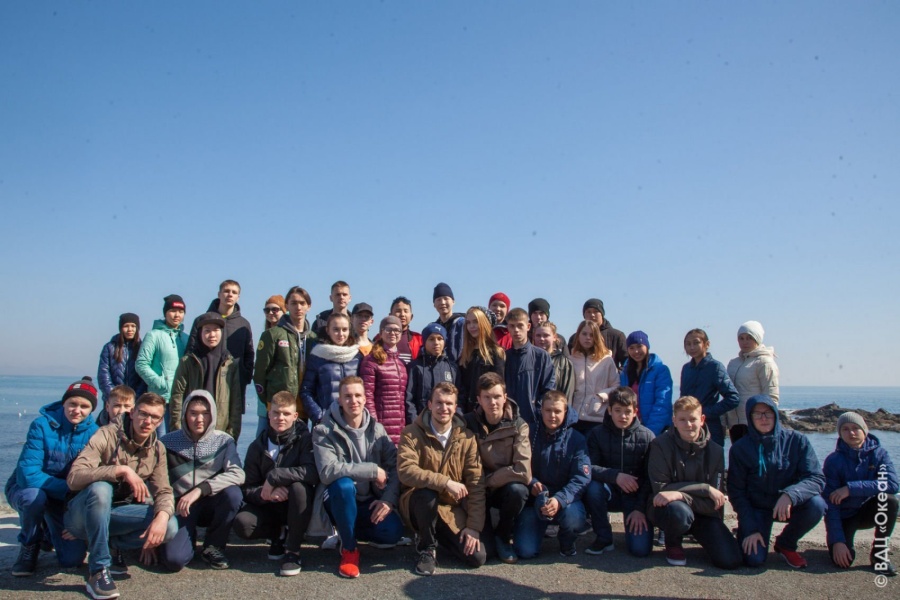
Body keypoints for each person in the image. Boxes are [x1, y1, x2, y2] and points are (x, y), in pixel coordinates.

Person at [65, 392, 178, 600]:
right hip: (84, 512)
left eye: (154, 417)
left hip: (117, 513)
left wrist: (162, 517)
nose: (147, 421)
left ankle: (109, 544)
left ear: (160, 420)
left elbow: (163, 490)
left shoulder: (157, 448)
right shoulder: (106, 434)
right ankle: (98, 570)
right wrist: (120, 470)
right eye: (143, 414)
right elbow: (74, 478)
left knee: (170, 526)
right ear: (132, 413)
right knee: (101, 488)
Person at [6, 377, 100, 577]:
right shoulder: (41, 425)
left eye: (84, 406)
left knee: (72, 559)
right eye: (72, 404)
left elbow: (90, 478)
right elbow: (28, 475)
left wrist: (77, 520)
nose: (77, 410)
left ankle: (48, 530)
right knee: (34, 498)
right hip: (28, 489)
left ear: (92, 409)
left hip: (62, 498)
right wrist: (69, 489)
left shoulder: (94, 434)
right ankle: (30, 544)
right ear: (64, 403)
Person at [312, 377, 404, 578]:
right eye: (347, 396)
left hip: (367, 500)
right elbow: (327, 471)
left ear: (364, 398)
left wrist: (388, 500)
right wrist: (372, 470)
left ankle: (347, 531)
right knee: (343, 485)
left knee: (392, 533)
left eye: (357, 395)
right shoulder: (323, 430)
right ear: (339, 400)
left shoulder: (377, 429)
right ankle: (349, 549)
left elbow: (395, 467)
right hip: (336, 499)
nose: (353, 401)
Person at [398, 382, 487, 576]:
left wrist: (473, 527)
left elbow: (476, 483)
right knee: (427, 494)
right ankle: (427, 548)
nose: (443, 408)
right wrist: (445, 482)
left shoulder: (467, 438)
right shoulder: (411, 433)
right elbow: (405, 470)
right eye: (438, 402)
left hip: (449, 508)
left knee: (478, 557)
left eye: (449, 403)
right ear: (430, 404)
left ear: (456, 407)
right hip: (418, 503)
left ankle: (438, 536)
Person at [728, 394, 826, 568]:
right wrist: (750, 528)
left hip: (788, 505)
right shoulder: (740, 448)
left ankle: (786, 543)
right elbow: (737, 492)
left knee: (817, 505)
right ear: (750, 418)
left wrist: (790, 495)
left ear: (775, 414)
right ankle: (746, 534)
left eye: (768, 413)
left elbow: (816, 478)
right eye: (757, 414)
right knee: (753, 560)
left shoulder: (797, 441)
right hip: (757, 508)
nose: (763, 418)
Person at [646, 396, 742, 569]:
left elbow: (715, 502)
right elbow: (661, 491)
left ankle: (702, 537)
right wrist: (704, 489)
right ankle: (673, 542)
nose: (688, 424)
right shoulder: (659, 445)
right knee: (678, 511)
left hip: (704, 514)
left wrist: (680, 494)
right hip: (671, 511)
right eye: (682, 419)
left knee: (730, 560)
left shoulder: (716, 451)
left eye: (693, 419)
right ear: (674, 420)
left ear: (702, 419)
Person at [233, 391, 319, 577]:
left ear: (295, 416)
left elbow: (312, 472)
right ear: (269, 414)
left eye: (286, 414)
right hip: (269, 506)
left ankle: (293, 551)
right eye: (276, 413)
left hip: (297, 505)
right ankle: (277, 535)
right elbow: (247, 487)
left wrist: (276, 476)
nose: (281, 418)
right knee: (243, 523)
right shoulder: (257, 446)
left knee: (299, 488)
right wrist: (265, 494)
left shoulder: (305, 440)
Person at [159, 390, 245, 572]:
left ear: (212, 414)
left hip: (210, 503)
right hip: (180, 507)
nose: (199, 419)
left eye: (205, 413)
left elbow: (238, 474)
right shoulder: (167, 442)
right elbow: (155, 482)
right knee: (174, 561)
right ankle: (186, 539)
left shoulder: (224, 441)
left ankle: (213, 546)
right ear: (185, 414)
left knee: (233, 494)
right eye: (193, 413)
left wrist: (201, 490)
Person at [463, 372, 531, 564]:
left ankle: (503, 534)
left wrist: (489, 480)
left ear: (505, 397)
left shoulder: (518, 425)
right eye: (487, 397)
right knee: (483, 554)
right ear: (479, 399)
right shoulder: (468, 423)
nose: (492, 402)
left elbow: (523, 472)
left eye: (497, 396)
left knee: (518, 491)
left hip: (502, 488)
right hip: (477, 491)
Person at [513, 390, 589, 559]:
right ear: (541, 410)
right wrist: (531, 483)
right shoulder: (528, 433)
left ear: (565, 412)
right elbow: (519, 464)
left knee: (574, 517)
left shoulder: (577, 439)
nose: (552, 416)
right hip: (535, 500)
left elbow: (581, 478)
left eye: (557, 411)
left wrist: (559, 500)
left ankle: (567, 540)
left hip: (566, 500)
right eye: (548, 410)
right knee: (525, 551)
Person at [823, 412, 898, 576]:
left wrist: (850, 489)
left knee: (890, 501)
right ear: (840, 433)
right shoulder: (833, 461)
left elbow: (892, 484)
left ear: (864, 430)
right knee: (843, 562)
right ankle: (840, 542)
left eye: (855, 428)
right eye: (845, 429)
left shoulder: (879, 454)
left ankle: (879, 554)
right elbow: (830, 504)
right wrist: (837, 541)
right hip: (845, 516)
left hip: (867, 511)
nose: (851, 432)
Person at [584, 387, 654, 558]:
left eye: (627, 411)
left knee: (640, 550)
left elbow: (652, 478)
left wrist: (640, 509)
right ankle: (604, 537)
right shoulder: (597, 434)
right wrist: (616, 476)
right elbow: (587, 467)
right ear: (609, 410)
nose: (623, 416)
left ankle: (636, 524)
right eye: (617, 410)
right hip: (609, 492)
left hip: (636, 498)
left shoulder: (647, 437)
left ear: (635, 411)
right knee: (593, 487)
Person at [185, 280, 255, 433]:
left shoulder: (243, 324)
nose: (230, 295)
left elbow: (249, 354)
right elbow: (190, 351)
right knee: (200, 428)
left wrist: (245, 376)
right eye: (226, 291)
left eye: (234, 292)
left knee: (230, 429)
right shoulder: (202, 320)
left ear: (238, 297)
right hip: (205, 383)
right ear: (219, 294)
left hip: (233, 386)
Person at [168, 312, 242, 440]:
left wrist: (232, 434)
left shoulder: (229, 363)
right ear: (199, 333)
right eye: (207, 330)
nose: (212, 335)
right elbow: (177, 397)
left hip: (220, 431)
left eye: (216, 330)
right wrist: (178, 430)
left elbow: (235, 401)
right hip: (191, 429)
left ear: (222, 332)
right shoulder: (188, 362)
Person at [253, 286, 317, 433]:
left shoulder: (314, 338)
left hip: (303, 407)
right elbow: (260, 373)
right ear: (287, 306)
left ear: (309, 306)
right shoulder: (272, 335)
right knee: (274, 444)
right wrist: (270, 401)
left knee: (300, 445)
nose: (298, 307)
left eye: (302, 303)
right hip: (279, 408)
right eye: (293, 303)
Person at [135, 294, 188, 434]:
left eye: (181, 312)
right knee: (161, 439)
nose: (177, 315)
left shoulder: (186, 338)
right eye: (173, 311)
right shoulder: (153, 335)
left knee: (178, 439)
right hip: (160, 398)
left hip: (181, 399)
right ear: (165, 313)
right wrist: (160, 383)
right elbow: (141, 364)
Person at [679, 329, 740, 446]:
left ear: (707, 344)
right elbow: (683, 399)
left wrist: (706, 412)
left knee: (711, 456)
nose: (692, 347)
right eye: (688, 344)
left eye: (696, 343)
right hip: (688, 427)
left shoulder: (715, 367)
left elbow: (733, 398)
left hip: (710, 428)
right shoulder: (686, 369)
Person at [301, 312, 363, 424]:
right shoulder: (318, 355)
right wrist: (319, 416)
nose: (341, 334)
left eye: (344, 329)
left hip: (353, 420)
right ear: (328, 330)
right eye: (336, 329)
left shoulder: (357, 356)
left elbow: (366, 389)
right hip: (327, 421)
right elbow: (306, 391)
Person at [724, 320, 779, 443]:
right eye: (741, 338)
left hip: (755, 424)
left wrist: (766, 422)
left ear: (757, 338)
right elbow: (726, 393)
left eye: (749, 338)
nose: (745, 342)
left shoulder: (765, 362)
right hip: (735, 424)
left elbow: (771, 397)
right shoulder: (733, 363)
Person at [504, 308, 556, 433]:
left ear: (528, 326)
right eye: (512, 326)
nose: (516, 330)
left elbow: (548, 389)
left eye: (520, 325)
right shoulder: (504, 357)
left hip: (534, 421)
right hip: (508, 420)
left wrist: (537, 411)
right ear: (508, 328)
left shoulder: (541, 356)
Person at [359, 316, 408, 444]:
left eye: (397, 330)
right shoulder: (371, 360)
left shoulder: (402, 363)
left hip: (400, 427)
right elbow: (367, 396)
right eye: (388, 329)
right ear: (381, 332)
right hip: (380, 427)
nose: (393, 333)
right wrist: (374, 424)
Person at [569, 320, 619, 435]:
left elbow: (616, 386)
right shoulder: (571, 359)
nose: (588, 338)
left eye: (592, 335)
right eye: (584, 334)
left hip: (597, 416)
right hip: (574, 416)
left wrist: (601, 396)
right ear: (578, 336)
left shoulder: (606, 360)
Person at [619, 331, 672, 437]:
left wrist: (650, 432)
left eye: (639, 346)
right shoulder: (625, 372)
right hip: (631, 429)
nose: (636, 351)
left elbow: (662, 403)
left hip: (655, 430)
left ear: (647, 346)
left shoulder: (660, 370)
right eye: (631, 348)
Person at [405, 323, 458, 425]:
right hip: (421, 424)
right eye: (431, 339)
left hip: (447, 423)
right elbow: (409, 398)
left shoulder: (452, 368)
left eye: (440, 339)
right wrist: (415, 423)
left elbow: (460, 396)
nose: (436, 342)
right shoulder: (415, 367)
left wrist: (456, 419)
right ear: (424, 341)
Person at [458, 306, 506, 414]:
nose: (471, 326)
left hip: (487, 411)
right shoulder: (465, 354)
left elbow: (498, 386)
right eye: (468, 323)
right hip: (466, 412)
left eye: (475, 322)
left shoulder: (496, 353)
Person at [97, 313, 146, 409]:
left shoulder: (143, 348)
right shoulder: (109, 347)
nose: (130, 329)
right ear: (120, 328)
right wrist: (113, 396)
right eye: (126, 326)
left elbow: (144, 376)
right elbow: (103, 375)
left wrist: (136, 397)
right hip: (113, 402)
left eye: (133, 326)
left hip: (135, 401)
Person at [567, 299, 627, 370]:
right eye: (588, 312)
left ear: (602, 314)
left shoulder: (616, 336)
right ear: (584, 315)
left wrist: (615, 374)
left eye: (595, 311)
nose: (592, 315)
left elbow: (627, 362)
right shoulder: (575, 338)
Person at [533, 321, 574, 403]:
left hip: (554, 407)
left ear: (554, 337)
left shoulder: (564, 363)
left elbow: (567, 393)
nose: (541, 339)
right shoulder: (529, 359)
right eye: (538, 335)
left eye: (546, 335)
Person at [430, 282, 466, 364]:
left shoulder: (463, 324)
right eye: (438, 300)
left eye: (446, 298)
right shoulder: (433, 328)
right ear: (434, 304)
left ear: (453, 301)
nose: (442, 302)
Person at [389, 295, 422, 365]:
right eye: (398, 311)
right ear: (390, 315)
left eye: (406, 311)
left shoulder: (419, 339)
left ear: (411, 316)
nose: (402, 314)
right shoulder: (381, 338)